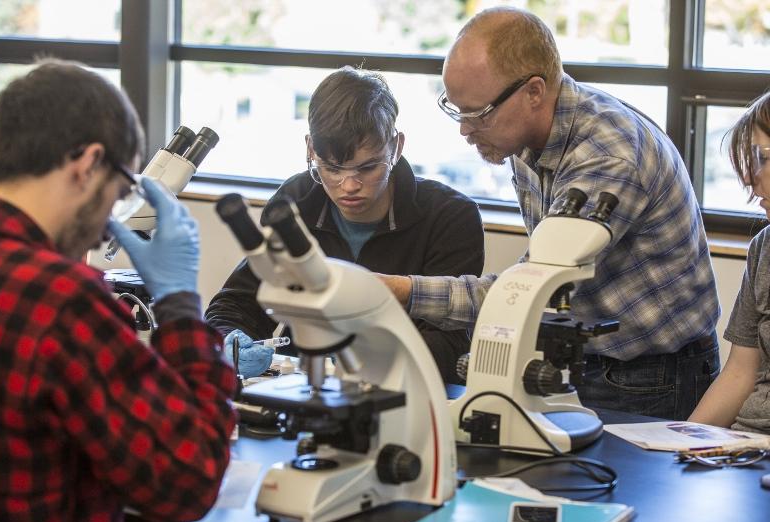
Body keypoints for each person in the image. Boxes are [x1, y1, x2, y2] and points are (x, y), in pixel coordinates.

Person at [381, 7, 720, 420]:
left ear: (535, 91)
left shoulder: (607, 157)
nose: (464, 130)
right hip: (583, 356)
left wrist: (400, 290)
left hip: (650, 374)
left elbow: (526, 291)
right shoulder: (522, 135)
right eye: (457, 110)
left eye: (478, 114)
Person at [0, 60, 236, 522]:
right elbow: (189, 481)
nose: (102, 231)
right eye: (117, 193)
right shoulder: (61, 301)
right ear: (89, 163)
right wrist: (179, 305)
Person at [205, 66, 485, 384]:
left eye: (367, 168)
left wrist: (350, 355)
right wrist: (228, 340)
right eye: (332, 168)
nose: (348, 186)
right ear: (311, 149)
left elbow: (451, 348)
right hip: (306, 389)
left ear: (396, 147)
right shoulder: (296, 201)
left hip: (403, 398)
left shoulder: (450, 218)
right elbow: (236, 302)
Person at [689, 91, 770, 433]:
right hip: (747, 443)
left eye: (761, 158)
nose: (750, 179)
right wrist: (682, 443)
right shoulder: (763, 248)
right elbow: (741, 371)